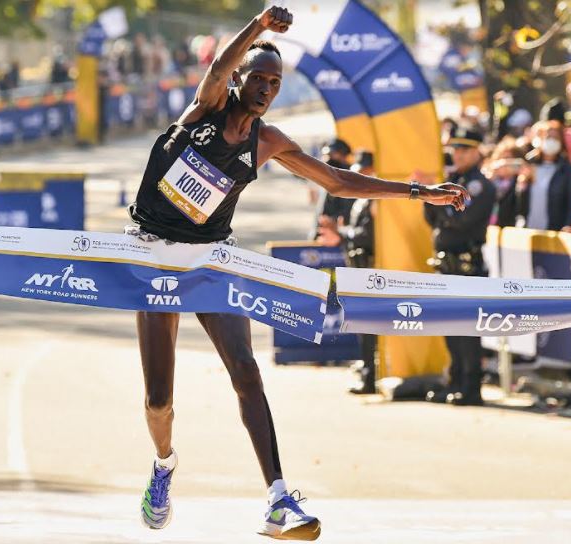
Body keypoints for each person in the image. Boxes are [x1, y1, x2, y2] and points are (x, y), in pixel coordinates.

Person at [127, 6, 467, 540]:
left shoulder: (268, 142)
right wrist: (259, 26)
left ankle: (278, 499)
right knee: (158, 399)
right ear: (238, 80)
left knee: (245, 369)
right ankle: (164, 464)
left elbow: (338, 182)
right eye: (257, 78)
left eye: (274, 82)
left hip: (212, 256)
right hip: (155, 254)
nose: (264, 88)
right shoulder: (208, 107)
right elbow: (219, 63)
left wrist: (419, 192)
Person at [423, 125, 495, 406]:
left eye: (464, 149)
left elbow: (459, 219)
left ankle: (471, 385)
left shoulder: (479, 184)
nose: (458, 154)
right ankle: (454, 381)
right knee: (449, 325)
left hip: (467, 263)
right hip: (446, 262)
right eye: (455, 148)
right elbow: (434, 218)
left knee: (467, 328)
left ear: (478, 151)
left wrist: (440, 205)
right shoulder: (452, 180)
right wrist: (431, 198)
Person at [316, 150, 378, 395]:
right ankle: (367, 371)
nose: (361, 174)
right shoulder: (362, 199)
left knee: (369, 324)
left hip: (370, 268)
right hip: (358, 266)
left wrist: (341, 233)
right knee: (361, 323)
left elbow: (367, 235)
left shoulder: (375, 200)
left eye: (366, 170)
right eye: (359, 170)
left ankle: (371, 375)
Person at [518, 121, 571, 231]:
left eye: (556, 138)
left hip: (554, 233)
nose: (551, 141)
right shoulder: (530, 165)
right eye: (548, 137)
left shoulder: (567, 171)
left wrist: (568, 226)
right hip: (529, 231)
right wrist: (521, 185)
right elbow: (519, 204)